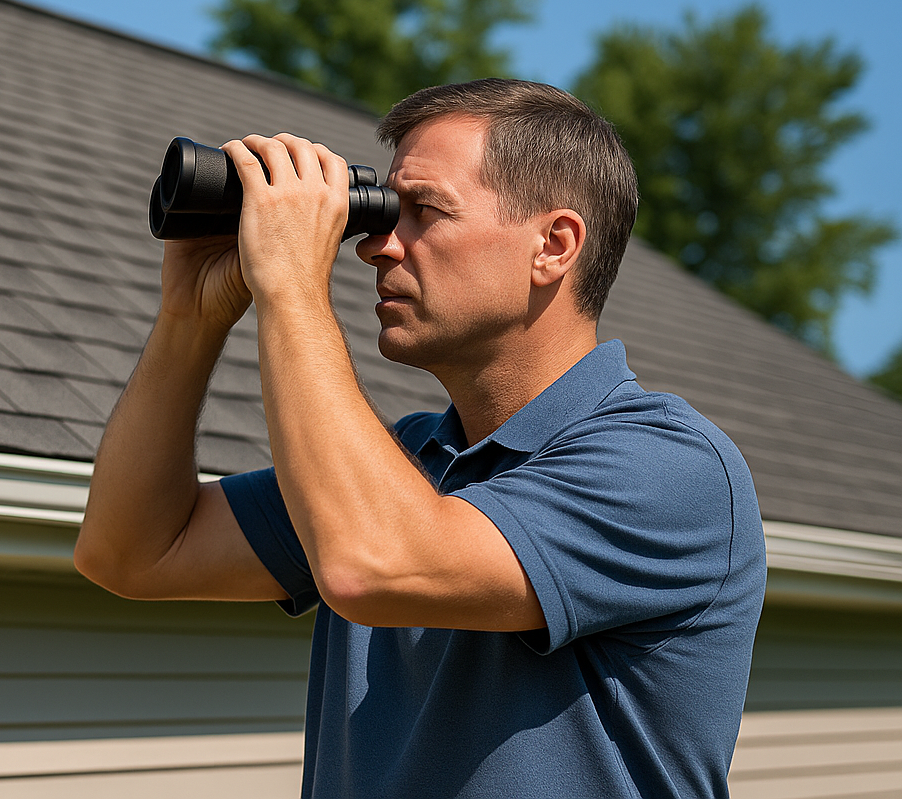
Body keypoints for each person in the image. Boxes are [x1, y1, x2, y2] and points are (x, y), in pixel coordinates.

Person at [74, 79, 765, 799]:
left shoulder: (670, 466)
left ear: (554, 246)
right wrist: (191, 317)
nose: (376, 246)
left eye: (423, 212)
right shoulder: (405, 466)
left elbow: (370, 565)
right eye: (382, 210)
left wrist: (289, 286)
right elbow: (131, 552)